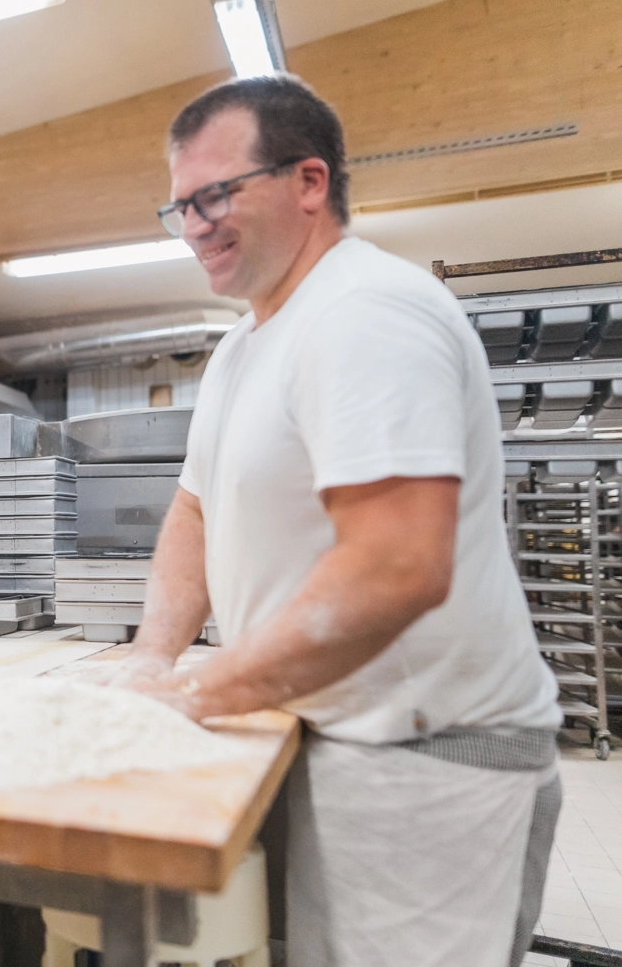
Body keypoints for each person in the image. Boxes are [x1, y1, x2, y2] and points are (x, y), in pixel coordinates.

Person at [113, 76, 562, 967]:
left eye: (214, 195)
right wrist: (150, 658)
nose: (195, 224)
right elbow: (196, 511)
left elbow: (396, 565)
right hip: (320, 734)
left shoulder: (364, 313)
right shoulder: (242, 347)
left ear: (309, 182)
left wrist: (198, 695)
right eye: (178, 207)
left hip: (424, 761)